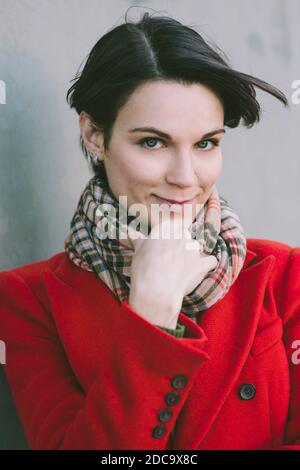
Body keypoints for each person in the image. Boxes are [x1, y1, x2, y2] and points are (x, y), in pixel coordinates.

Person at [0, 11, 299, 451]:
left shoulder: (285, 276)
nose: (185, 176)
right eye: (152, 142)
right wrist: (150, 318)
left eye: (205, 143)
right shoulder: (27, 301)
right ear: (94, 135)